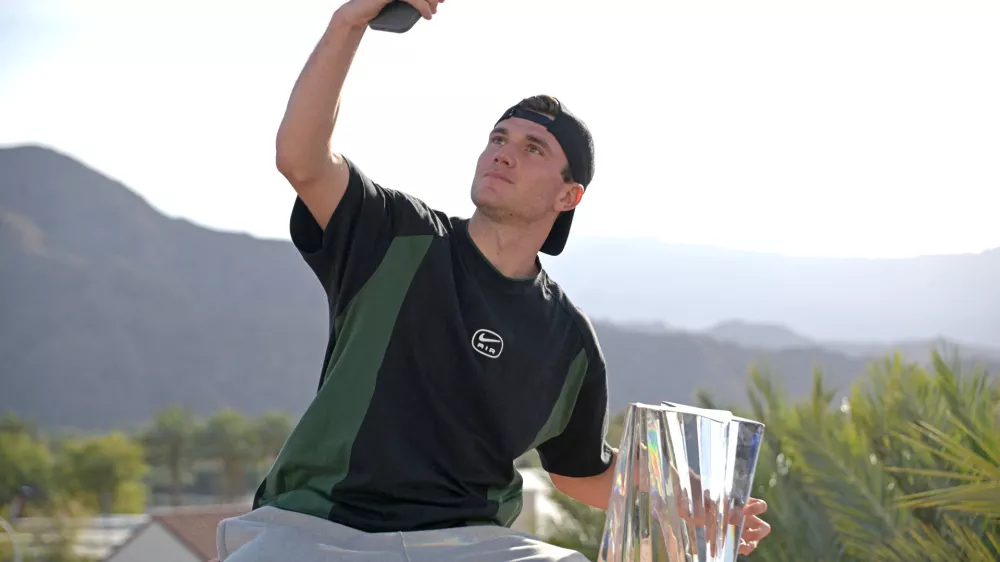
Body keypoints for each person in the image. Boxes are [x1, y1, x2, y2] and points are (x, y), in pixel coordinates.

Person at [214, 1, 771, 560]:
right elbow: (301, 158)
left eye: (533, 149)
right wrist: (349, 22)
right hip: (318, 531)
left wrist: (689, 504)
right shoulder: (396, 237)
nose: (503, 154)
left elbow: (581, 472)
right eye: (499, 138)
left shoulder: (567, 342)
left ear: (567, 196)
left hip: (465, 543)